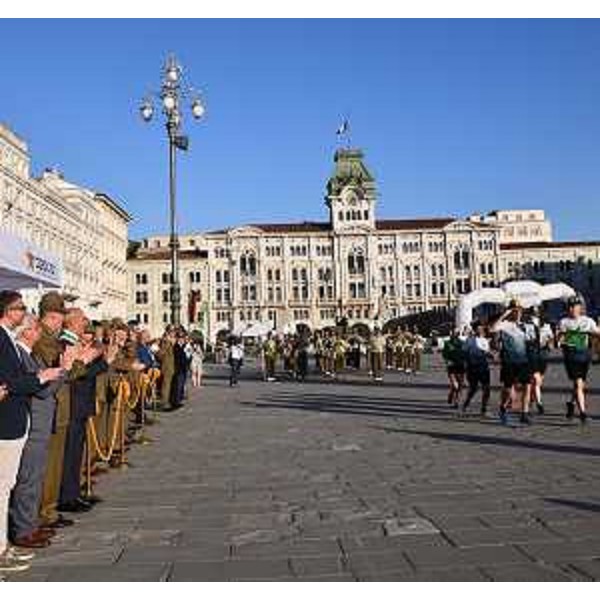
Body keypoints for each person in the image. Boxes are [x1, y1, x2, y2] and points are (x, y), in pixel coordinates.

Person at [0, 292, 62, 572]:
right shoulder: (4, 340)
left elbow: (12, 381)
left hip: (17, 421)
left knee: (8, 487)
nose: (25, 313)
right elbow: (12, 381)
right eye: (20, 309)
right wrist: (41, 377)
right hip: (10, 422)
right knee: (5, 489)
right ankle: (7, 544)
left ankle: (5, 545)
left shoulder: (9, 341)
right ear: (7, 311)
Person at [492, 300, 535, 426]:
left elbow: (531, 340)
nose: (518, 313)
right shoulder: (504, 324)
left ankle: (524, 413)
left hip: (523, 361)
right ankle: (503, 407)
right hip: (509, 361)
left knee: (527, 386)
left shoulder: (525, 326)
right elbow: (492, 328)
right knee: (508, 388)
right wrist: (505, 314)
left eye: (519, 310)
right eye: (515, 310)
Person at [558, 296, 600, 424]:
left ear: (580, 308)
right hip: (570, 357)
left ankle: (571, 403)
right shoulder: (564, 322)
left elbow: (597, 332)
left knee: (579, 385)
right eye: (570, 307)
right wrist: (561, 337)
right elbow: (558, 340)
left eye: (574, 306)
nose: (572, 309)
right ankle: (583, 413)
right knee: (578, 383)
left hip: (584, 356)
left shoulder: (588, 321)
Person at [526, 307, 554, 415]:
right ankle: (539, 403)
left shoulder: (546, 325)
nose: (535, 313)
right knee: (536, 379)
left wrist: (549, 342)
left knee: (538, 382)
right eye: (533, 312)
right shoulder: (527, 325)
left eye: (536, 312)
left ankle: (530, 401)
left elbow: (551, 338)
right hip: (532, 353)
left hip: (543, 354)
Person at [461, 322, 492, 416]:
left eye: (481, 329)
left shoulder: (485, 341)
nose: (480, 330)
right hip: (472, 368)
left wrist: (490, 355)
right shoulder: (469, 340)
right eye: (478, 329)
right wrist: (466, 366)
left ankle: (484, 409)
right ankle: (465, 405)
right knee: (473, 389)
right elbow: (464, 353)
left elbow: (487, 353)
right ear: (475, 330)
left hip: (483, 368)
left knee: (487, 389)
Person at [442, 329, 466, 408]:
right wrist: (447, 361)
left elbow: (466, 354)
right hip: (451, 366)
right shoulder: (447, 343)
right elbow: (444, 355)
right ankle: (451, 394)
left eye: (455, 333)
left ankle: (456, 401)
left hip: (461, 366)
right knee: (455, 385)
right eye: (452, 333)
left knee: (460, 385)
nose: (452, 334)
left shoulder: (462, 343)